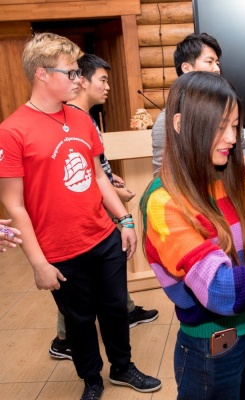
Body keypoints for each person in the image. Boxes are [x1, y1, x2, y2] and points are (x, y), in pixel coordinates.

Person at [0, 33, 161, 400]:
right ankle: (91, 379)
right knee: (80, 320)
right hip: (58, 249)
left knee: (116, 309)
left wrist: (124, 220)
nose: (78, 79)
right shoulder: (11, 131)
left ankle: (122, 367)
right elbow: (14, 206)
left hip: (102, 236)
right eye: (70, 73)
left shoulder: (81, 119)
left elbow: (99, 176)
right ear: (42, 74)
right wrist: (38, 264)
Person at [140, 71, 245, 400]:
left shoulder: (220, 181)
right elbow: (220, 290)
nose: (232, 138)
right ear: (180, 124)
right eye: (221, 126)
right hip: (209, 351)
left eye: (235, 126)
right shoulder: (164, 203)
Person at [48, 53, 159, 362]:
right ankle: (64, 339)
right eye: (103, 80)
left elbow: (96, 166)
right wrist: (114, 192)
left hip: (102, 203)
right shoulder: (70, 119)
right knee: (78, 282)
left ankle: (124, 310)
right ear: (82, 81)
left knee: (105, 272)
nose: (107, 87)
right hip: (88, 213)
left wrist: (112, 180)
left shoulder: (85, 117)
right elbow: (83, 175)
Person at [151, 32, 245, 182]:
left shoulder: (229, 109)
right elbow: (161, 175)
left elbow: (241, 146)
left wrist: (243, 164)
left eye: (217, 63)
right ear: (186, 68)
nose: (217, 69)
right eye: (209, 62)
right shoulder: (164, 122)